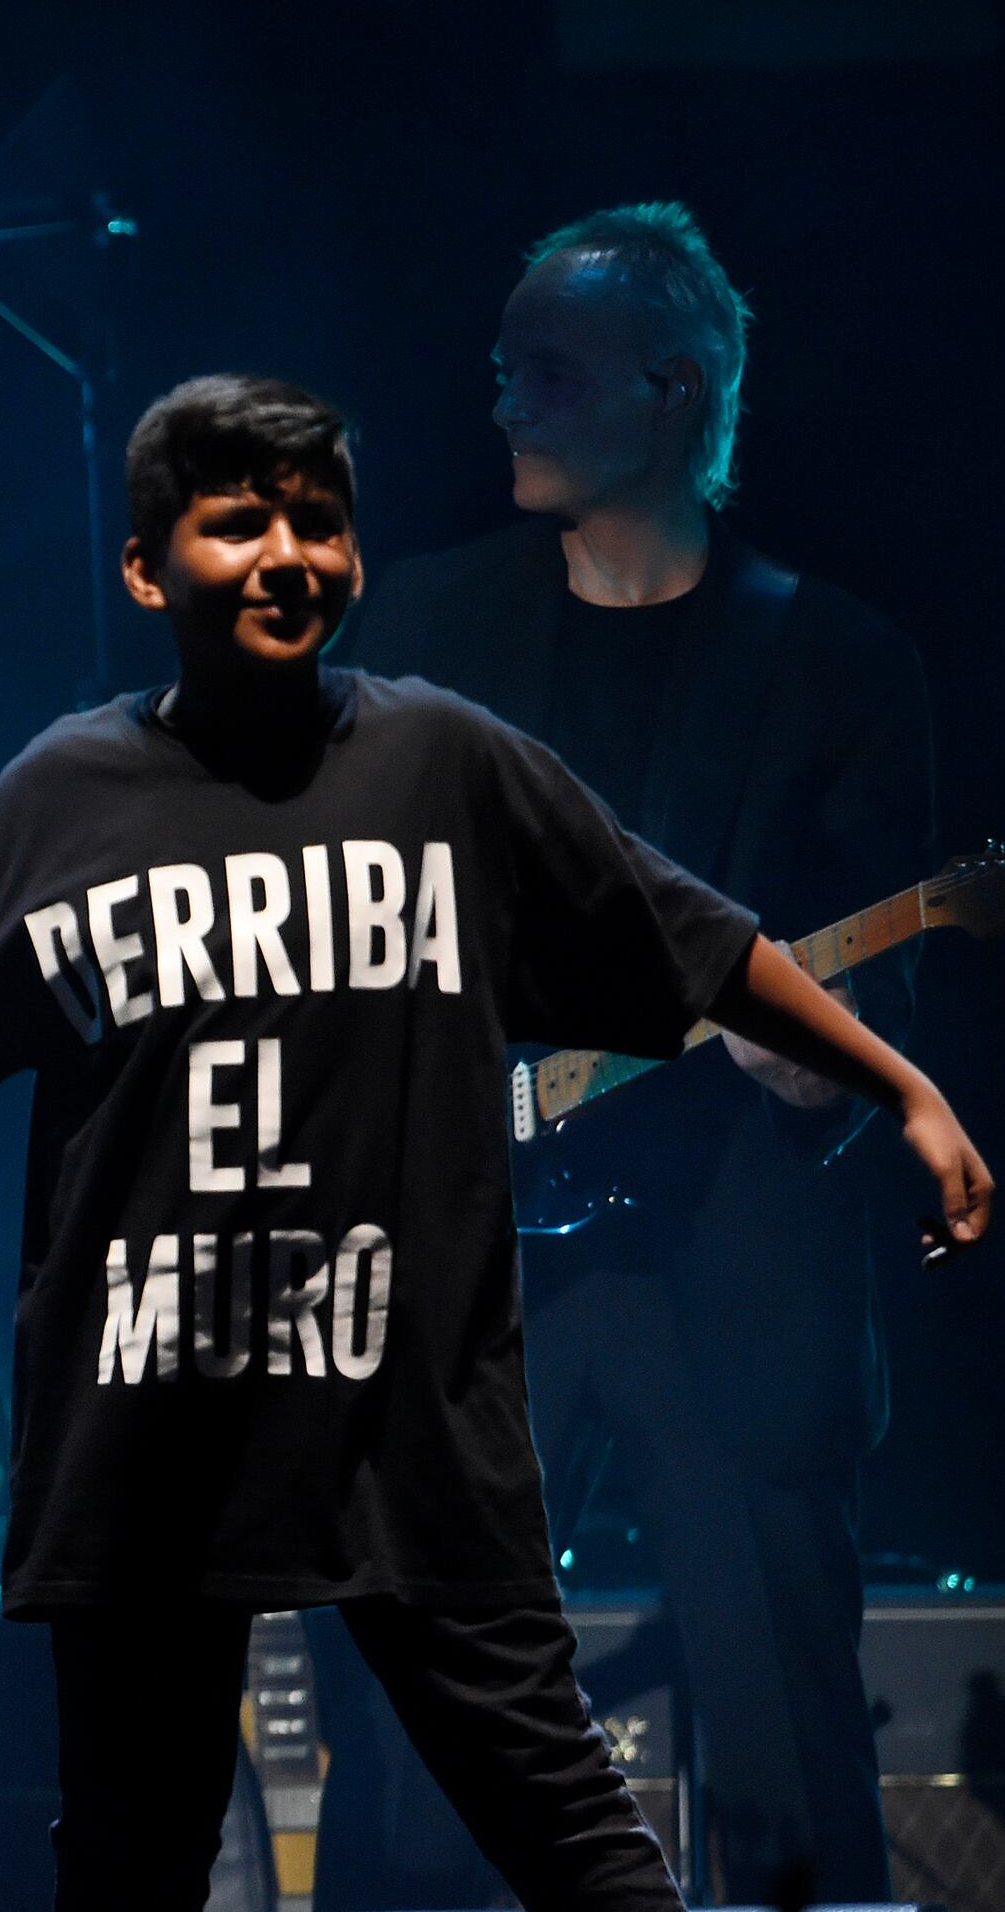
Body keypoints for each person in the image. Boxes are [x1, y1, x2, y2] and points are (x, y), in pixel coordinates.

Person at [0, 373, 988, 1912]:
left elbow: (690, 938)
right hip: (151, 1436)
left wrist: (904, 1085)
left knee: (573, 1836)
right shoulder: (61, 803)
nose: (289, 554)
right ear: (149, 570)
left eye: (321, 522)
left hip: (403, 1423)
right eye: (240, 526)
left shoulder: (446, 764)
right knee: (133, 1859)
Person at [320, 203, 935, 1905]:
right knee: (426, 1759)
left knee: (790, 1776)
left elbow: (887, 1020)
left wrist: (832, 1070)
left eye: (551, 372)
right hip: (472, 1264)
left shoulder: (840, 666)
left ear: (675, 393)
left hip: (732, 1271)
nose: (507, 403)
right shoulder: (421, 635)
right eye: (504, 368)